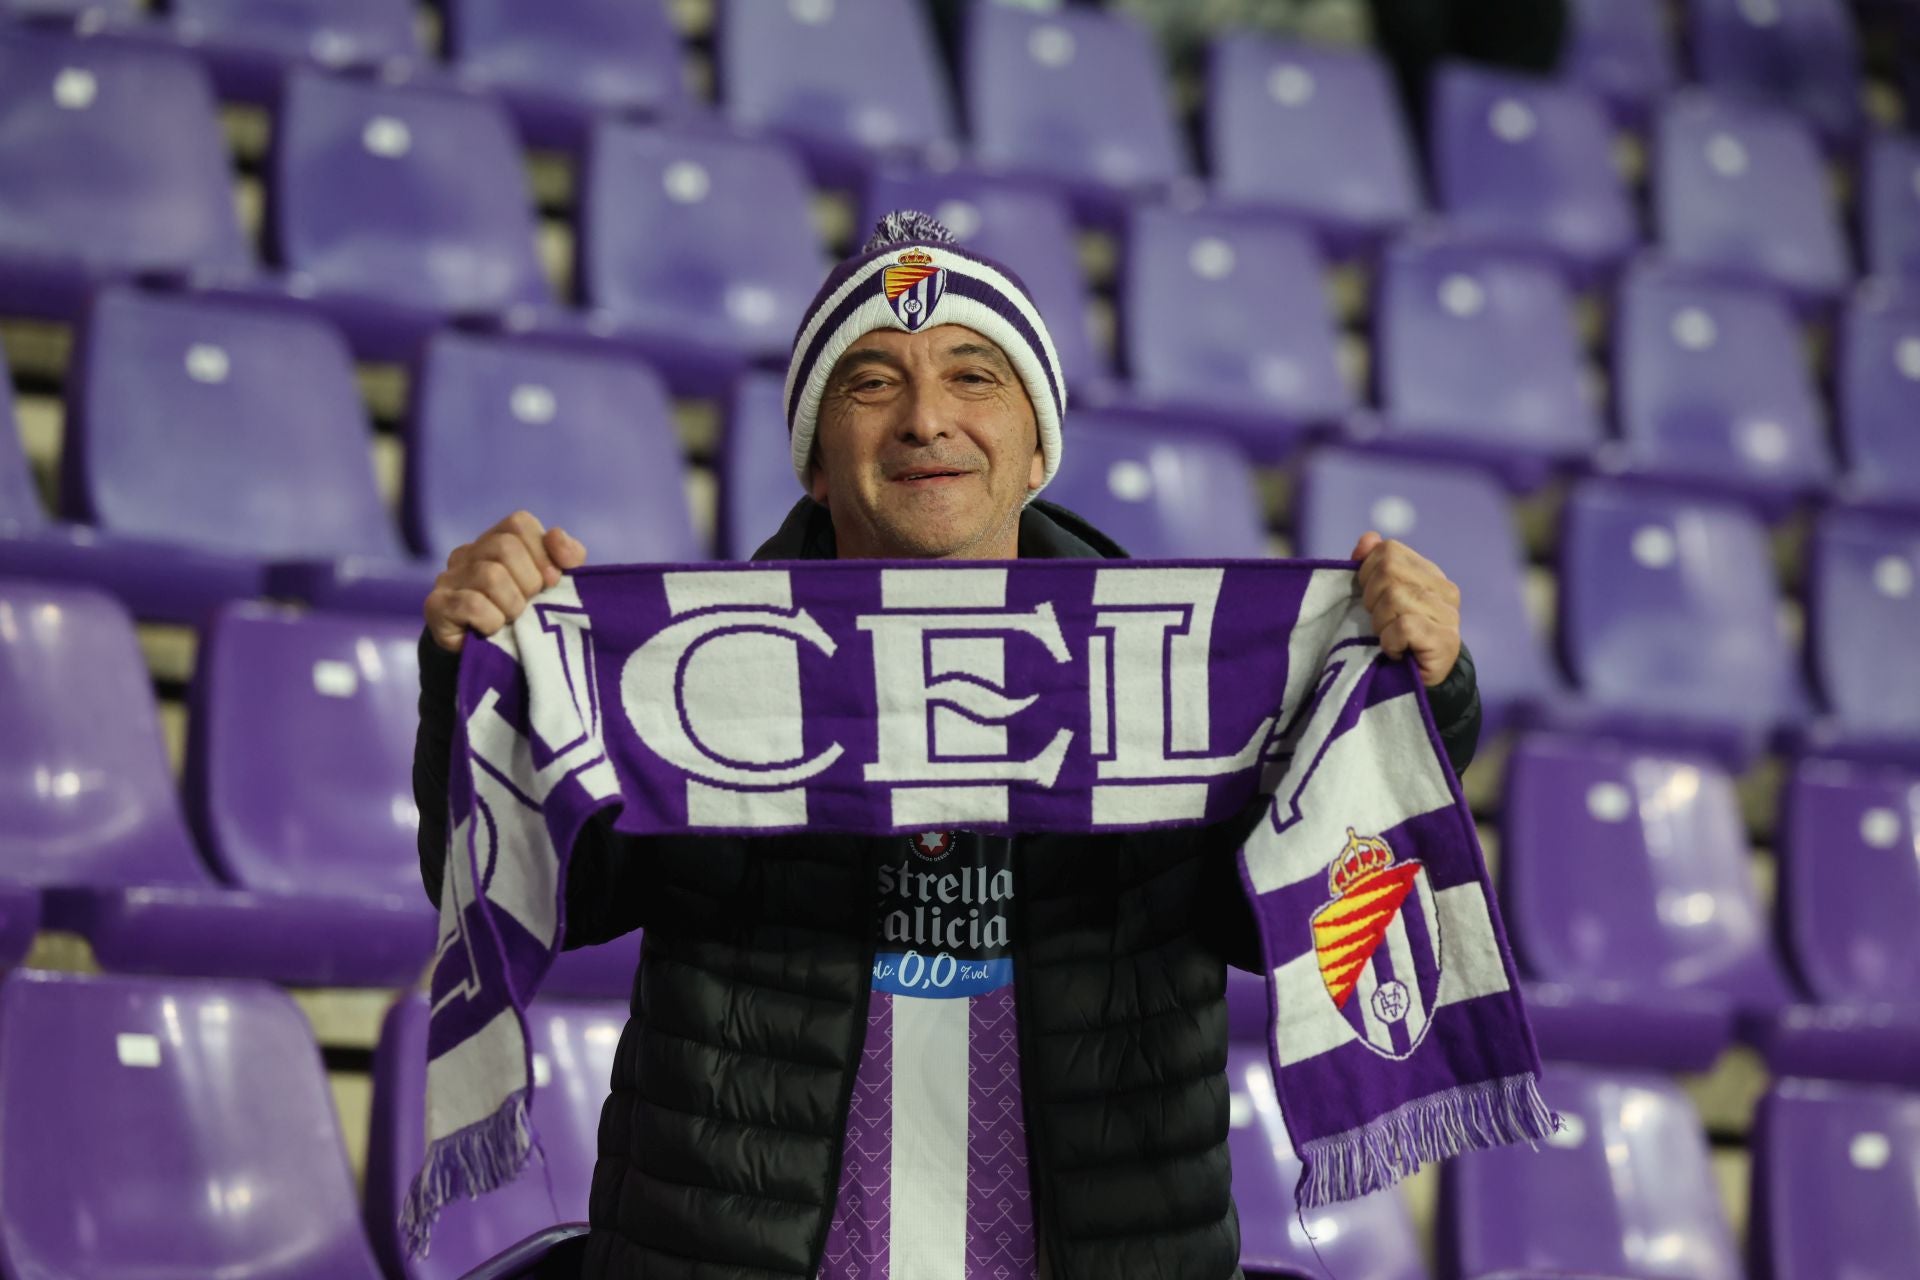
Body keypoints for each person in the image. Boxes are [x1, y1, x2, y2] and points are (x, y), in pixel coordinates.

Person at [413, 212, 1479, 1280]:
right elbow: (558, 885)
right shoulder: (703, 669)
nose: (927, 419)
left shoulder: (1182, 673)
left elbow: (1295, 907)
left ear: (1034, 451)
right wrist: (473, 674)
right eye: (870, 383)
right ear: (817, 465)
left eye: (974, 377)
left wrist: (1421, 684)